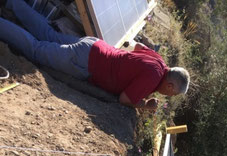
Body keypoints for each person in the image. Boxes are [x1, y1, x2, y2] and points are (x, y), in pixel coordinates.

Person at [0, 0, 190, 111]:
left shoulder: (159, 61)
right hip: (86, 62)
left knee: (49, 35)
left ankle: (14, 3)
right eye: (172, 93)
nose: (169, 95)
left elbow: (139, 46)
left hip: (95, 45)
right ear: (170, 85)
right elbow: (125, 99)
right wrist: (145, 105)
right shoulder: (153, 78)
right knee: (36, 49)